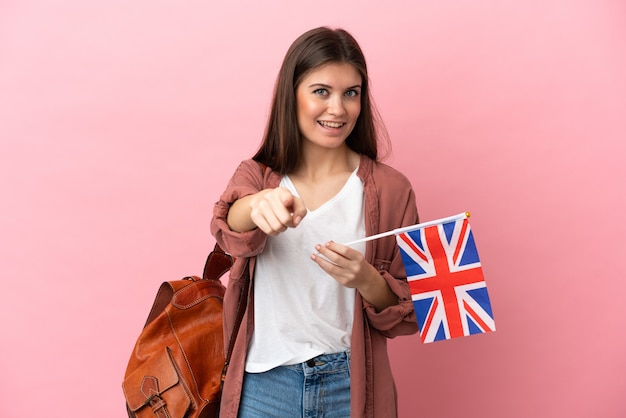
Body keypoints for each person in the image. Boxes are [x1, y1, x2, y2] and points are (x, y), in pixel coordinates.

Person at [211, 26, 419, 418]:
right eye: (321, 91)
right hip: (263, 387)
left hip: (351, 385)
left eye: (350, 93)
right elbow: (228, 226)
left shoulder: (392, 190)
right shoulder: (258, 176)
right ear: (292, 96)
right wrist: (258, 205)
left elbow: (410, 310)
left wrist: (367, 281)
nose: (337, 109)